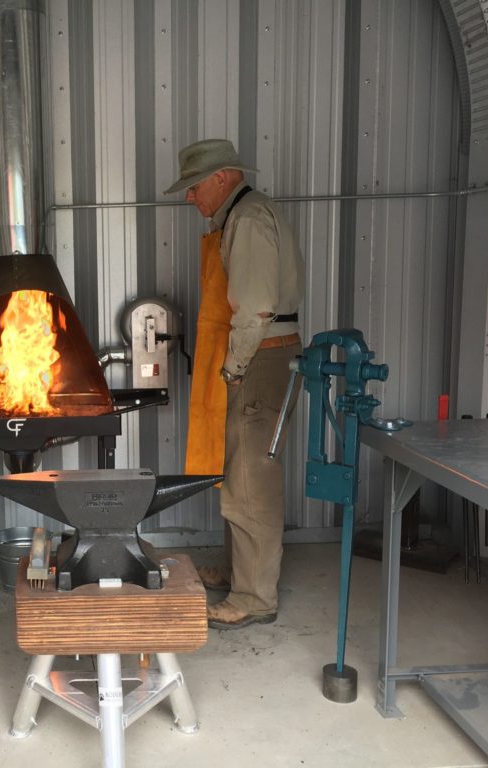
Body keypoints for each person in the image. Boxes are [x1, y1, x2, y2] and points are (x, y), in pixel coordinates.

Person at [164, 139, 304, 630]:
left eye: (193, 186)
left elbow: (257, 308)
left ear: (222, 177)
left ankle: (254, 596)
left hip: (260, 359)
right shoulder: (240, 217)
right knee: (239, 473)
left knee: (251, 481)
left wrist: (234, 368)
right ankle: (237, 572)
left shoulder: (246, 221)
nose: (189, 198)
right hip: (257, 356)